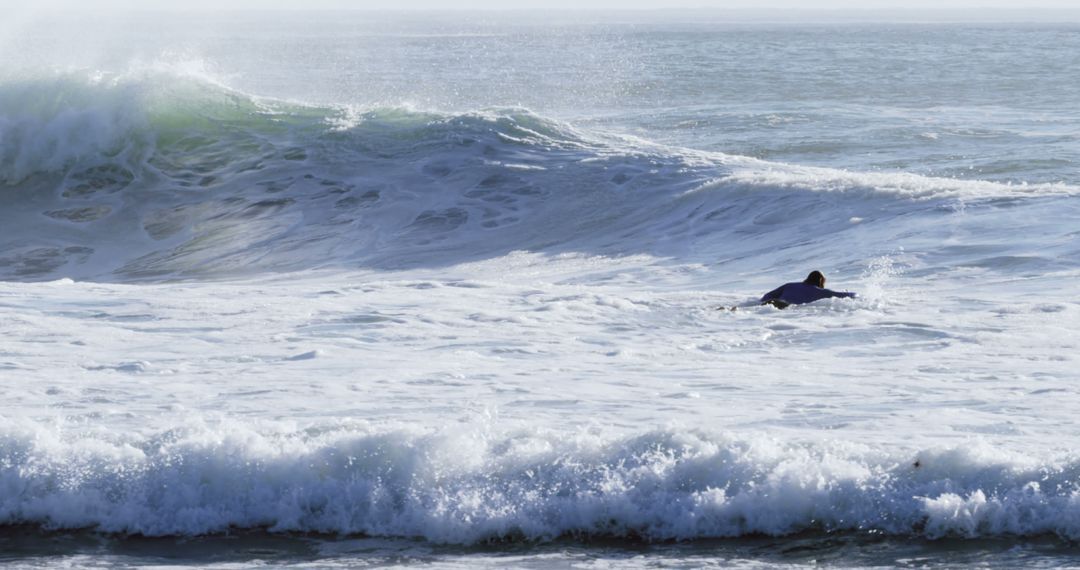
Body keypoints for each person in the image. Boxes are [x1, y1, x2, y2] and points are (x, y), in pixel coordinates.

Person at [760, 270, 856, 309]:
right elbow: (851, 295)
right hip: (786, 307)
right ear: (821, 281)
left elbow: (767, 296)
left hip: (773, 302)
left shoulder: (789, 285)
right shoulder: (822, 292)